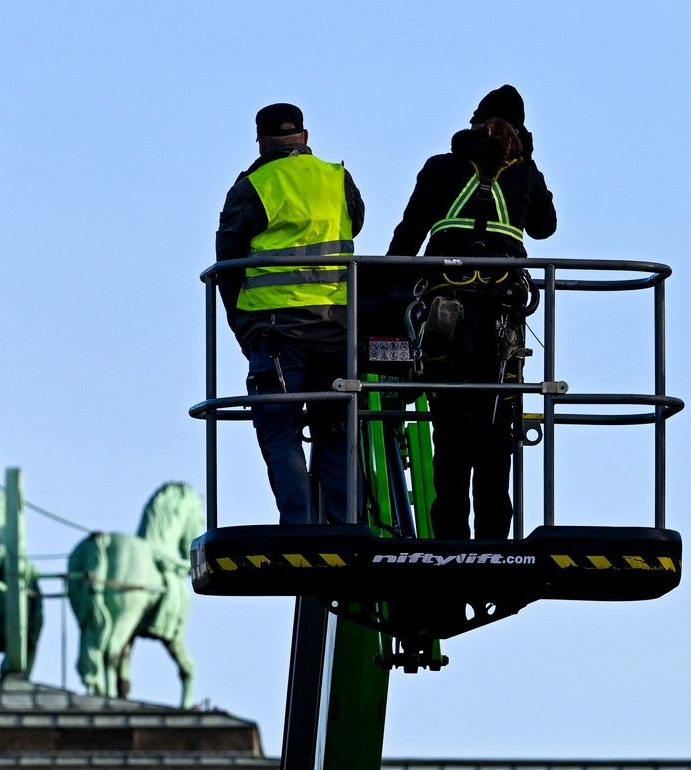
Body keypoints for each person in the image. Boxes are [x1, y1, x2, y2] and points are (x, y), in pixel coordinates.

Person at [387, 85, 557, 540]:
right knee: (496, 433)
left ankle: (449, 541)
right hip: (502, 325)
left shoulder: (441, 168)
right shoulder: (526, 177)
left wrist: (385, 297)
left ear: (473, 123)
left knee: (450, 435)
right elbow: (545, 226)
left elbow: (408, 236)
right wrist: (527, 160)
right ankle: (493, 544)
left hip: (448, 320)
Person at [216, 102, 364, 525]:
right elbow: (356, 222)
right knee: (337, 429)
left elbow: (227, 264)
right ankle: (345, 529)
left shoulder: (252, 187)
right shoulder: (337, 179)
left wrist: (243, 330)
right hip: (338, 327)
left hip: (277, 330)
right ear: (305, 136)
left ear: (261, 141)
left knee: (279, 428)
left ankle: (299, 527)